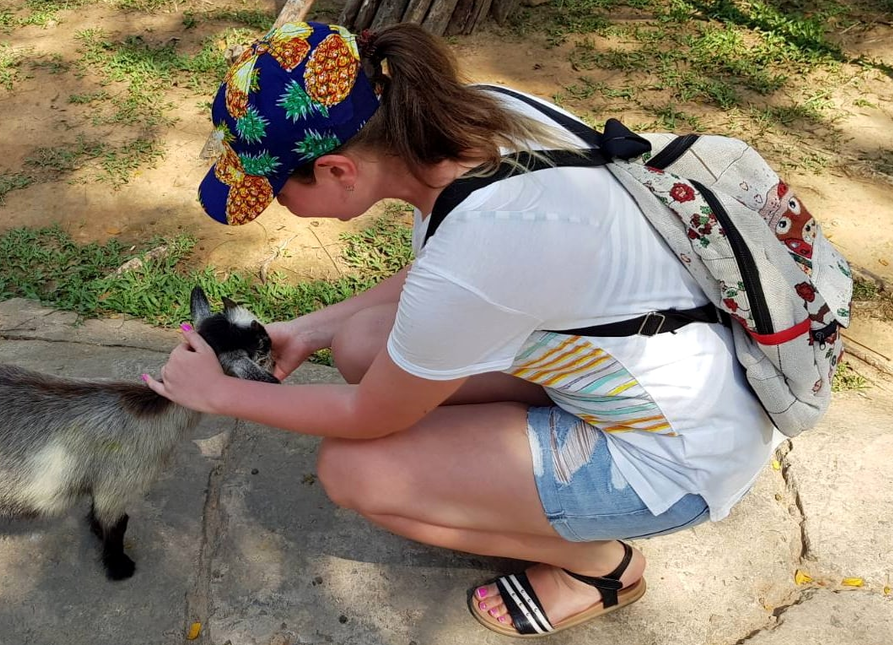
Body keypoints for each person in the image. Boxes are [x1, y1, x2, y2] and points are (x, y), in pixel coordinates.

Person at [143, 21, 775, 638]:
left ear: (338, 171)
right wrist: (308, 330)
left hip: (673, 457)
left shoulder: (482, 251)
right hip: (668, 365)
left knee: (355, 471)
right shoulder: (475, 118)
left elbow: (374, 408)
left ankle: (602, 571)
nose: (278, 206)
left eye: (276, 191)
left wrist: (221, 394)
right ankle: (514, 474)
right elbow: (446, 274)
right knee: (361, 343)